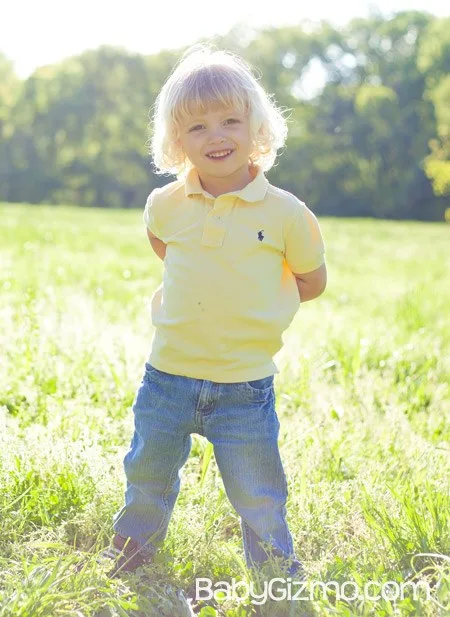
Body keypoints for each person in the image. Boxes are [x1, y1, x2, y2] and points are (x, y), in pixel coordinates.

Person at [104, 43, 327, 580]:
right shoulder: (166, 204)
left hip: (243, 387)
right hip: (168, 377)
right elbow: (164, 247)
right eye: (197, 127)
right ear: (176, 141)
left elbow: (312, 281)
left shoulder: (287, 214)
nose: (217, 135)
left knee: (258, 491)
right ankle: (132, 554)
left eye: (231, 120)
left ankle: (275, 574)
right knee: (148, 472)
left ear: (259, 130)